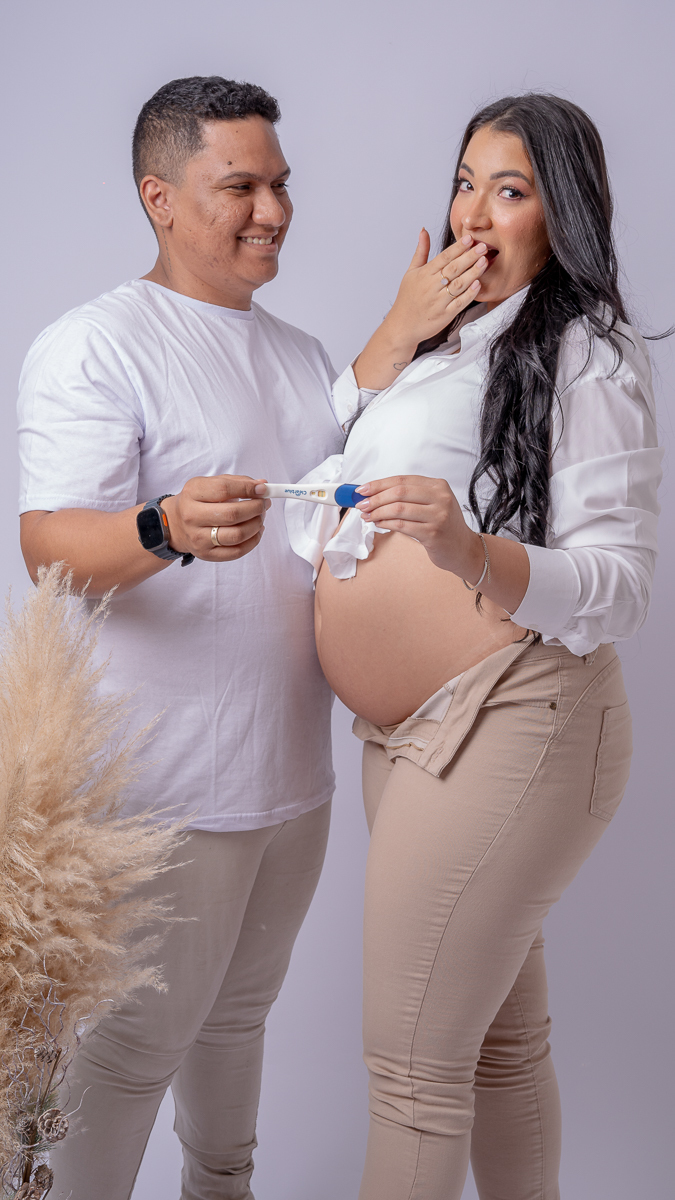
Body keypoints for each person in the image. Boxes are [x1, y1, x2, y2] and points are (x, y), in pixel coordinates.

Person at [284, 94, 662, 1199]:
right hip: (412, 738)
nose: (474, 214)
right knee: (499, 1048)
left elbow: (622, 586)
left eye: (511, 190)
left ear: (563, 213)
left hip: (514, 719)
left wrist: (468, 550)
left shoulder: (587, 353)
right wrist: (392, 335)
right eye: (464, 183)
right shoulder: (440, 345)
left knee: (412, 1075)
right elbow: (309, 471)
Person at [17, 76, 343, 1200]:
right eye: (239, 186)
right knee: (130, 1052)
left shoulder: (302, 354)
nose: (274, 211)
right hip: (164, 787)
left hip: (293, 773)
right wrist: (163, 526)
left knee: (239, 1021)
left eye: (281, 184)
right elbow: (49, 545)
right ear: (160, 197)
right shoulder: (97, 344)